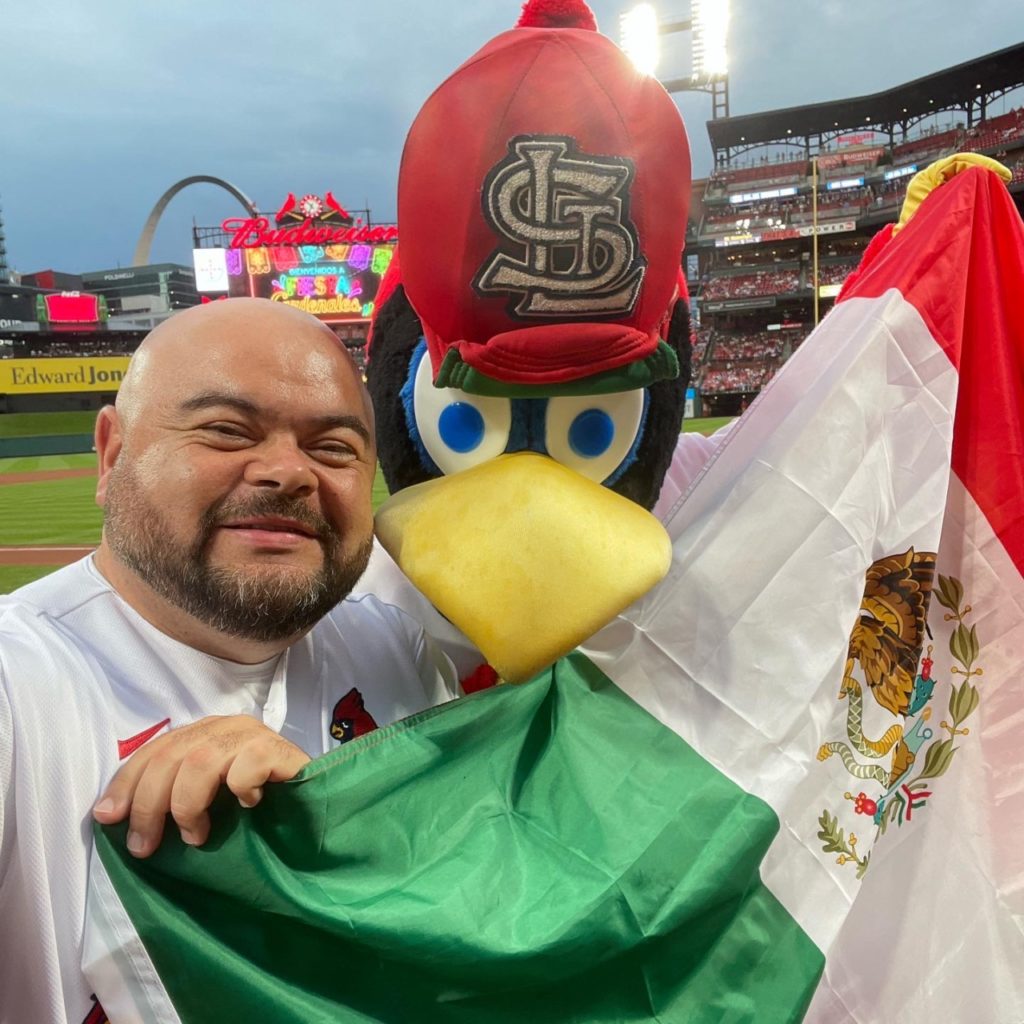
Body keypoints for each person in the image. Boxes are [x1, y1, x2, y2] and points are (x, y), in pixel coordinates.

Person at [0, 297, 457, 1024]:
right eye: (225, 430)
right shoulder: (17, 686)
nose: (287, 473)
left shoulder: (397, 650)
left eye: (334, 447)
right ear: (113, 454)